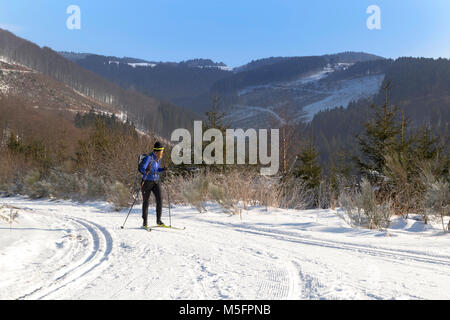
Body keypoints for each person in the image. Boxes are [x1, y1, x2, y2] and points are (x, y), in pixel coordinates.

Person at [140, 142, 168, 228]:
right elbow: (142, 169)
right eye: (161, 152)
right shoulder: (149, 158)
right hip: (147, 182)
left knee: (160, 199)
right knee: (146, 201)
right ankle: (145, 222)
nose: (162, 153)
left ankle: (158, 221)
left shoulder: (158, 159)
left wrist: (162, 169)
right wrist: (146, 170)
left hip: (156, 182)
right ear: (157, 151)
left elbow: (157, 169)